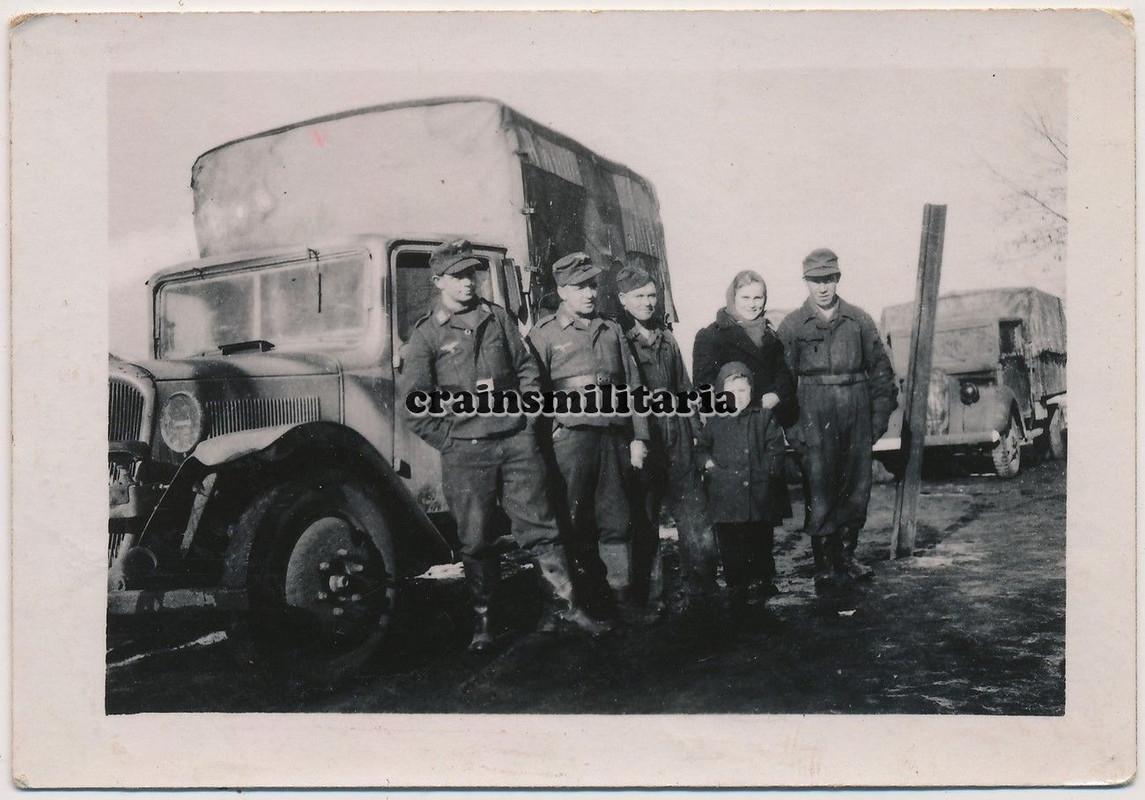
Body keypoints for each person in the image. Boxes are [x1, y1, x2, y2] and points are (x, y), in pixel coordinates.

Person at [400, 239, 607, 651]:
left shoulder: (497, 318)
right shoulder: (425, 335)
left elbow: (527, 369)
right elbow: (414, 405)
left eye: (471, 274)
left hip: (516, 444)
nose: (467, 282)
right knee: (476, 540)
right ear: (438, 281)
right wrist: (452, 440)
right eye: (457, 276)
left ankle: (566, 610)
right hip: (467, 451)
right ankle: (484, 625)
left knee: (542, 527)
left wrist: (527, 421)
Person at [528, 252, 654, 625]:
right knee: (571, 522)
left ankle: (622, 601)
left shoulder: (611, 329)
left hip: (613, 437)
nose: (589, 293)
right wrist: (547, 437)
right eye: (580, 286)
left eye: (592, 285)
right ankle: (576, 606)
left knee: (617, 520)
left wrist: (639, 436)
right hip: (570, 441)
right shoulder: (543, 333)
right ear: (562, 291)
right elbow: (533, 392)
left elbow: (634, 387)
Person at [776, 248, 897, 590]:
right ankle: (825, 563)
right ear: (806, 282)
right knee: (819, 488)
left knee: (857, 487)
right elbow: (782, 382)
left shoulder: (859, 320)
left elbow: (881, 374)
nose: (822, 287)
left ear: (838, 279)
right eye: (815, 281)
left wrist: (876, 422)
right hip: (813, 413)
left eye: (828, 279)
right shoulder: (792, 325)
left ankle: (847, 555)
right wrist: (793, 430)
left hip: (856, 411)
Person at [614, 262, 719, 611]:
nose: (647, 302)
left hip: (676, 435)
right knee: (645, 523)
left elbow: (684, 389)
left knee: (695, 517)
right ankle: (651, 600)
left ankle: (703, 593)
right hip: (643, 437)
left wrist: (698, 438)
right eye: (639, 296)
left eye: (651, 295)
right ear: (623, 300)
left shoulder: (666, 338)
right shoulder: (619, 340)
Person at [692, 270, 795, 595]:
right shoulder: (712, 335)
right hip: (729, 427)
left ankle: (763, 575)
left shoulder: (770, 335)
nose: (752, 304)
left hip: (760, 426)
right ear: (732, 298)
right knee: (733, 519)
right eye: (745, 298)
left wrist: (775, 395)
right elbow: (704, 381)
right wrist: (730, 401)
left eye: (758, 297)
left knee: (761, 509)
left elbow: (784, 375)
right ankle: (739, 580)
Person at [695, 362, 787, 619]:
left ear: (751, 391)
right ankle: (736, 585)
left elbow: (775, 448)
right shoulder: (715, 421)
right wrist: (709, 465)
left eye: (743, 390)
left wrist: (768, 472)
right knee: (731, 545)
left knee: (760, 540)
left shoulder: (763, 417)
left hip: (756, 493)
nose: (737, 396)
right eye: (731, 391)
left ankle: (762, 579)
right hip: (726, 495)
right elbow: (701, 448)